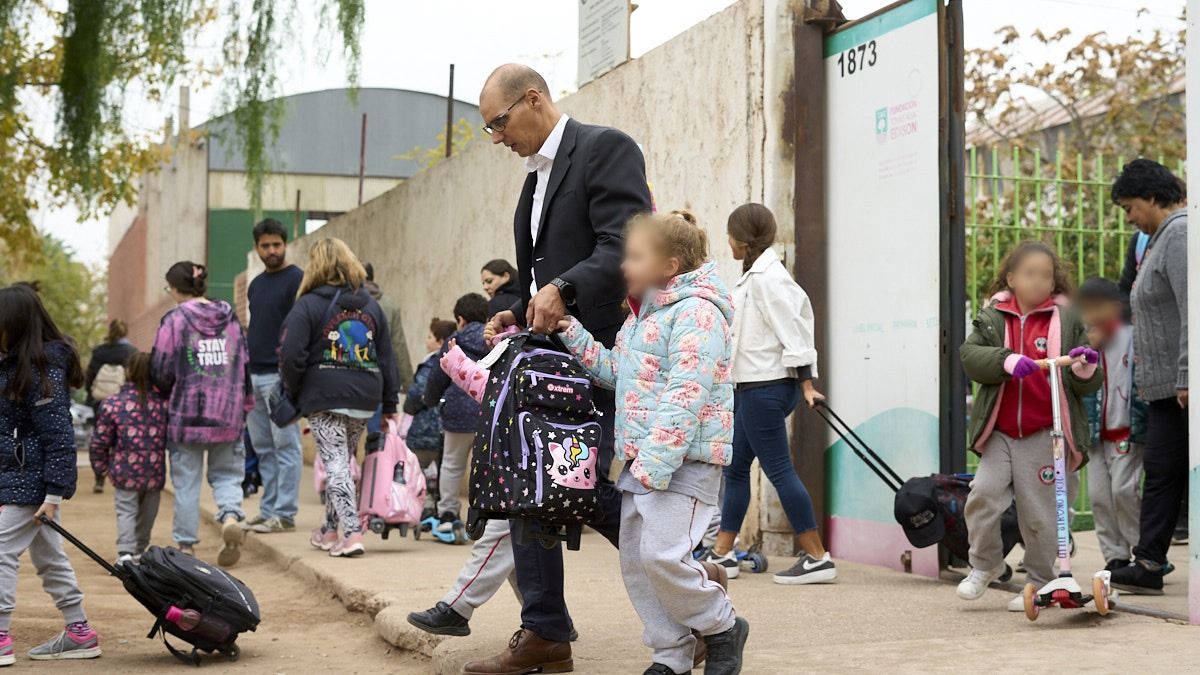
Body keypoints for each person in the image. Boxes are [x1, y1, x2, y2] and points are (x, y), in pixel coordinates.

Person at [465, 63, 651, 675]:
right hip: (546, 359)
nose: (496, 138)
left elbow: (624, 244)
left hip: (597, 352)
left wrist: (563, 291)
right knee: (530, 480)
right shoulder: (532, 180)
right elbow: (545, 275)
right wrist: (516, 311)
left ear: (533, 99)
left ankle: (692, 594)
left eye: (498, 122)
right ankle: (544, 631)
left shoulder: (605, 149)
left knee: (583, 486)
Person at [556, 209, 746, 675]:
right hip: (644, 462)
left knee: (663, 556)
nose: (624, 265)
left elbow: (687, 392)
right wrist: (572, 333)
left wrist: (655, 463)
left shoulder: (699, 313)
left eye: (635, 256)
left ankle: (721, 626)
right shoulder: (643, 316)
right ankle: (671, 653)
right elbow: (617, 374)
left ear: (670, 264)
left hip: (684, 462)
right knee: (639, 566)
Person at [956, 241, 1100, 610]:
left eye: (1047, 276)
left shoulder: (1065, 319)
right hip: (1001, 432)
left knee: (1039, 512)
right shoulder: (993, 317)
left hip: (1042, 431)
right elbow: (971, 356)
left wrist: (1085, 366)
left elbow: (1086, 379)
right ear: (1011, 278)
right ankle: (985, 565)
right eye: (1030, 274)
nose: (1039, 282)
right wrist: (1006, 361)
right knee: (983, 495)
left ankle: (1040, 580)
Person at [704, 203, 834, 586]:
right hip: (750, 387)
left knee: (779, 470)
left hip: (766, 388)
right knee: (736, 468)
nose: (726, 240)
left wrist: (807, 384)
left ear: (742, 240)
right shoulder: (754, 275)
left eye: (729, 234)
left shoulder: (768, 279)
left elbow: (794, 331)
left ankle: (817, 557)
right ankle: (722, 554)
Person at [279, 238, 401, 558]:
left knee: (335, 464)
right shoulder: (371, 305)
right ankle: (328, 529)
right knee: (341, 463)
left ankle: (351, 532)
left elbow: (291, 355)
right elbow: (387, 357)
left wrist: (292, 390)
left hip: (325, 394)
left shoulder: (307, 305)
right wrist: (389, 403)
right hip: (364, 395)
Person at [0, 284, 101, 663]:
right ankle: (80, 632)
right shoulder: (12, 365)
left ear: (16, 325)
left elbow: (59, 436)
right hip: (19, 480)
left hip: (32, 485)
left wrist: (54, 495)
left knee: (1, 552)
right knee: (49, 558)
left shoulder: (44, 371)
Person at [1108, 159, 1189, 594]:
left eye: (1131, 207)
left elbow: (1191, 308)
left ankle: (1150, 561)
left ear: (1154, 198)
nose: (1130, 218)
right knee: (1160, 471)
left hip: (1180, 387)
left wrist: (1187, 375)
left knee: (1166, 472)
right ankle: (1150, 563)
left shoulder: (1178, 235)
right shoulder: (1158, 239)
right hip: (1162, 389)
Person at [151, 262, 252, 566]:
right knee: (227, 475)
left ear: (174, 288)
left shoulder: (174, 321)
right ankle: (231, 515)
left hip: (186, 417)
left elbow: (161, 368)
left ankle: (185, 546)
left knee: (186, 484)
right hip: (227, 413)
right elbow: (244, 363)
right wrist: (245, 403)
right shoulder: (230, 318)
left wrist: (163, 395)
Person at [1076, 277, 1146, 571]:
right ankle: (1115, 555)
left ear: (1116, 308)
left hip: (1125, 430)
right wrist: (1085, 349)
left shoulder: (1131, 336)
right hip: (1093, 436)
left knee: (1124, 491)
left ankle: (1143, 549)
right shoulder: (1079, 343)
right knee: (1099, 497)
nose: (1093, 314)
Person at [243, 218, 305, 535]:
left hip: (281, 378)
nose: (271, 250)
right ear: (257, 248)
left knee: (286, 447)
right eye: (265, 246)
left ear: (286, 244)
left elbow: (300, 329)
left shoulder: (297, 280)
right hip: (253, 376)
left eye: (276, 245)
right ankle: (268, 509)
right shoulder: (255, 284)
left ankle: (285, 513)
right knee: (263, 448)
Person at [89, 351, 168, 564]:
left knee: (126, 511)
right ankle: (140, 549)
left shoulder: (113, 404)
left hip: (124, 471)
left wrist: (101, 467)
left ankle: (125, 552)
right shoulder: (163, 405)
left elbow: (100, 440)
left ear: (127, 371)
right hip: (154, 472)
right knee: (148, 513)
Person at [423, 293, 489, 540]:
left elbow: (438, 376)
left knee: (451, 464)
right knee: (484, 468)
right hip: (487, 411)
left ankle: (449, 516)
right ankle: (486, 516)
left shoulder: (455, 339)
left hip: (458, 413)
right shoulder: (495, 338)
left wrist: (429, 400)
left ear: (460, 319)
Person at [405, 318, 458, 525]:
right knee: (445, 469)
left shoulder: (430, 364)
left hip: (426, 430)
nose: (426, 340)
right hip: (447, 429)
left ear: (440, 341)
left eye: (429, 336)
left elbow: (417, 394)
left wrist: (410, 407)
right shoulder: (460, 359)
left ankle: (424, 507)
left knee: (421, 470)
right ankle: (438, 506)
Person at [84, 319, 137, 493]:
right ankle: (121, 475)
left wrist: (91, 395)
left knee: (101, 439)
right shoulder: (131, 351)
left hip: (100, 401)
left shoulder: (99, 351)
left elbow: (90, 375)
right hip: (124, 401)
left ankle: (99, 478)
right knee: (122, 438)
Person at [363, 262, 414, 436]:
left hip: (350, 377)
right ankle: (376, 463)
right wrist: (408, 384)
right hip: (379, 379)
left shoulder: (344, 302)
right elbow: (398, 345)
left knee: (346, 439)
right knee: (377, 434)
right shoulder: (389, 305)